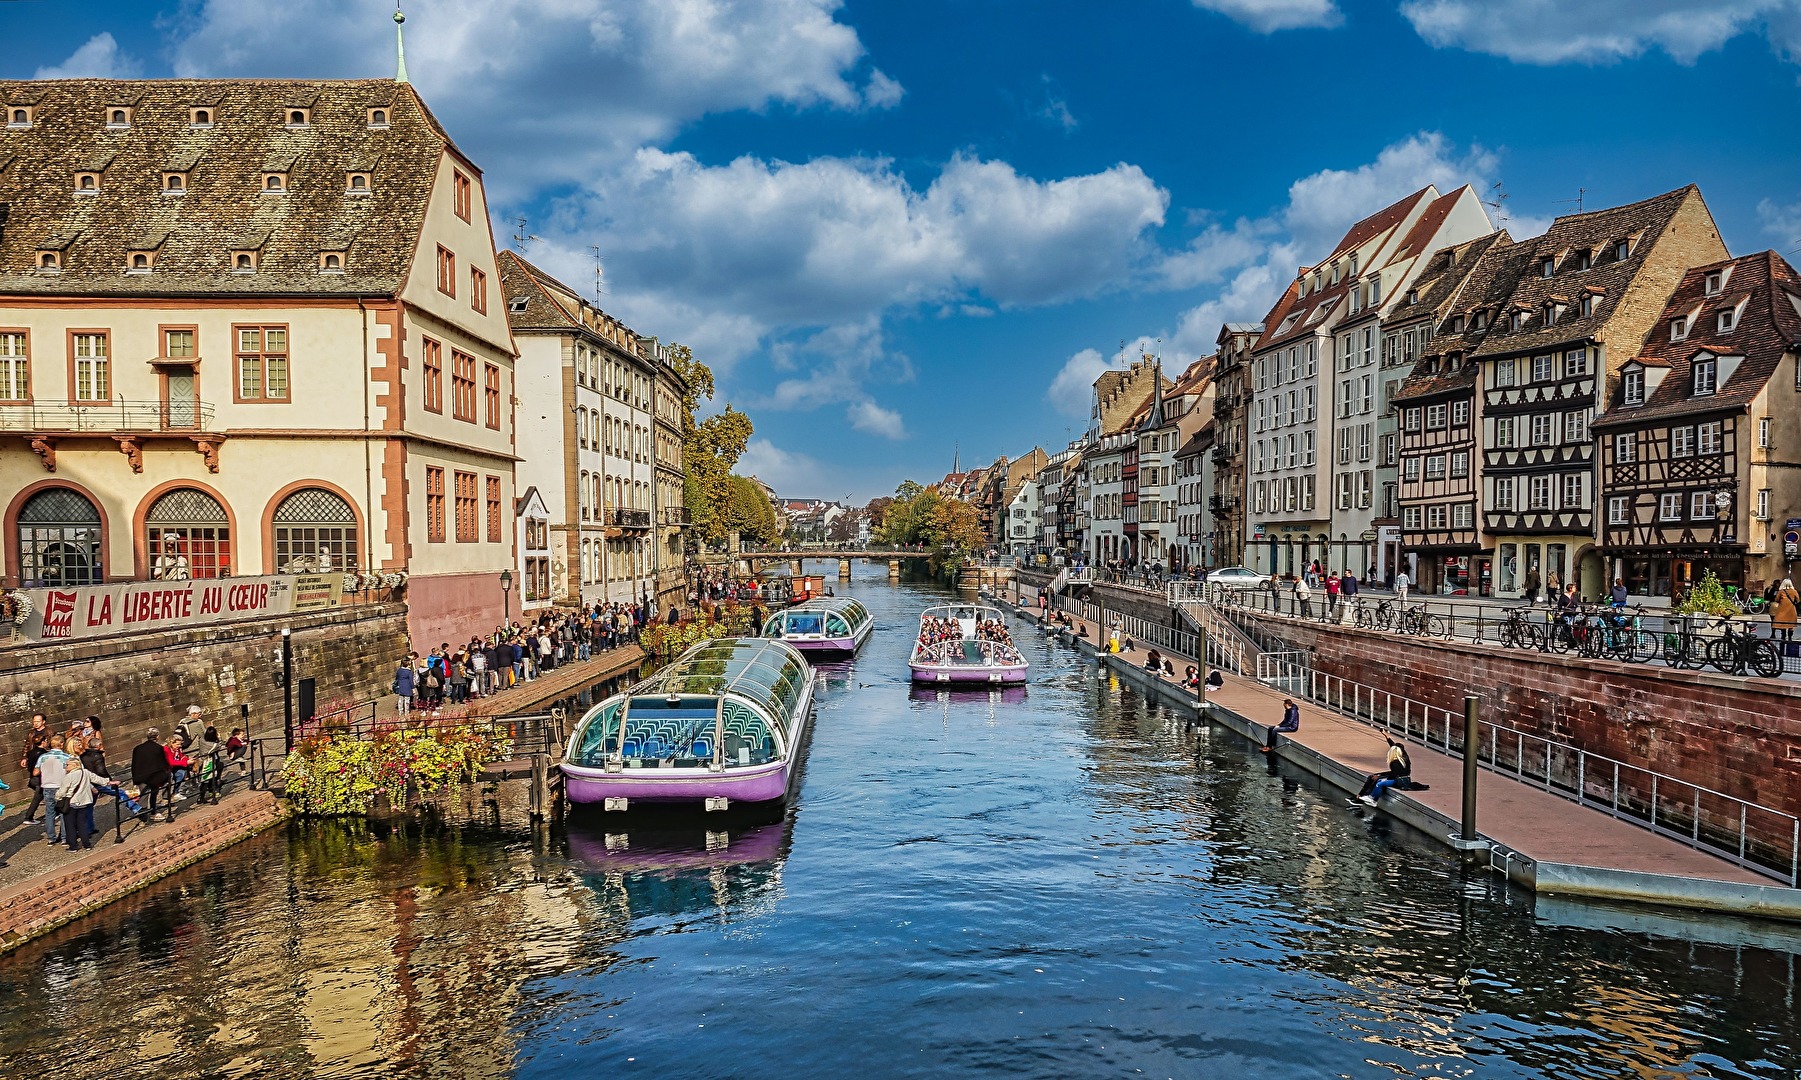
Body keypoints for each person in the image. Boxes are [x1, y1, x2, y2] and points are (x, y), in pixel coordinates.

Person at [34, 735, 70, 845]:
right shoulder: (66, 757)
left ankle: (51, 838)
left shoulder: (43, 757)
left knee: (50, 813)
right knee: (64, 812)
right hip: (61, 786)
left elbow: (35, 772)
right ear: (62, 744)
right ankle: (64, 837)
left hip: (47, 787)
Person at [132, 728, 173, 823]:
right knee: (154, 793)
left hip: (141, 775)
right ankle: (153, 812)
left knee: (144, 795)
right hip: (154, 776)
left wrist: (135, 778)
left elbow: (134, 764)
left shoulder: (137, 748)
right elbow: (162, 762)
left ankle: (143, 813)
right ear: (157, 737)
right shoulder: (158, 748)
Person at [1358, 736, 1413, 805]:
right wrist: (1385, 735)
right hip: (1400, 777)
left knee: (1378, 782)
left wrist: (1379, 777)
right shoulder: (1402, 756)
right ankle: (1363, 796)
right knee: (1375, 778)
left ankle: (1372, 798)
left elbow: (1394, 775)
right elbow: (1392, 745)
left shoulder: (1396, 762)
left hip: (1400, 780)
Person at [59, 755, 97, 850]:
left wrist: (57, 797)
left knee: (70, 825)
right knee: (82, 824)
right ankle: (87, 844)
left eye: (67, 765)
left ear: (74, 765)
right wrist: (108, 782)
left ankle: (73, 846)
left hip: (71, 803)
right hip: (83, 802)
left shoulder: (69, 776)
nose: (66, 767)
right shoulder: (85, 773)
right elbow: (97, 779)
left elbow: (62, 791)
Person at [18, 712, 50, 824]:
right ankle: (30, 816)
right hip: (35, 758)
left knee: (41, 789)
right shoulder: (31, 733)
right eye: (34, 721)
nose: (35, 723)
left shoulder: (49, 732)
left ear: (43, 722)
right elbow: (27, 745)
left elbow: (54, 744)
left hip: (44, 758)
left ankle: (50, 812)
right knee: (39, 787)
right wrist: (24, 757)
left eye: (38, 721)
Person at [1771, 578, 1801, 644]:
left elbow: (1776, 599)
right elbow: (1798, 600)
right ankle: (1790, 638)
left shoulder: (1781, 591)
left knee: (1783, 624)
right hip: (1791, 610)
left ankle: (1783, 638)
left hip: (1782, 610)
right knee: (1791, 625)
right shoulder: (1794, 591)